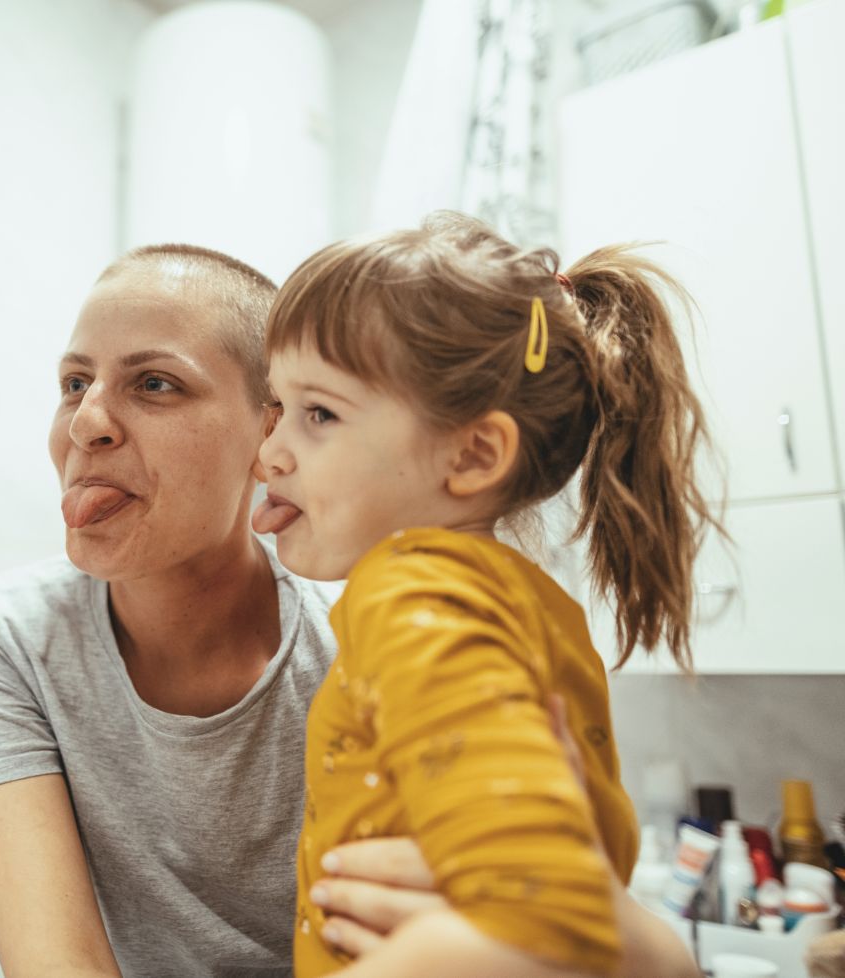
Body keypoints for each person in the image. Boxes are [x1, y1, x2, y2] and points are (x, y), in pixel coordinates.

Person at [0, 242, 702, 978]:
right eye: (72, 384)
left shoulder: (401, 610)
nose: (85, 422)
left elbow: (540, 912)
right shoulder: (2, 638)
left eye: (155, 383)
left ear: (257, 431)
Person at [254, 212, 720, 978]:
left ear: (473, 454)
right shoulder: (526, 602)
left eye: (319, 414)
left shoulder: (410, 589)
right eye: (278, 407)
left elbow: (538, 924)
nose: (270, 451)